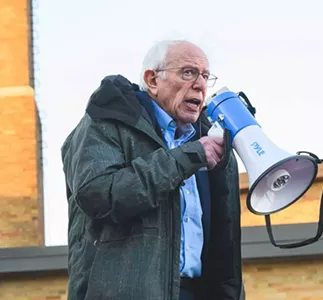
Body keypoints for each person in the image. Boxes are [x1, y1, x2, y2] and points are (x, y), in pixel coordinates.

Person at [61, 39, 245, 300]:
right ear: (152, 79)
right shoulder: (107, 122)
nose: (200, 84)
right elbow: (100, 195)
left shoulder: (205, 140)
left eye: (205, 76)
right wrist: (187, 158)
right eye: (188, 72)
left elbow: (223, 241)